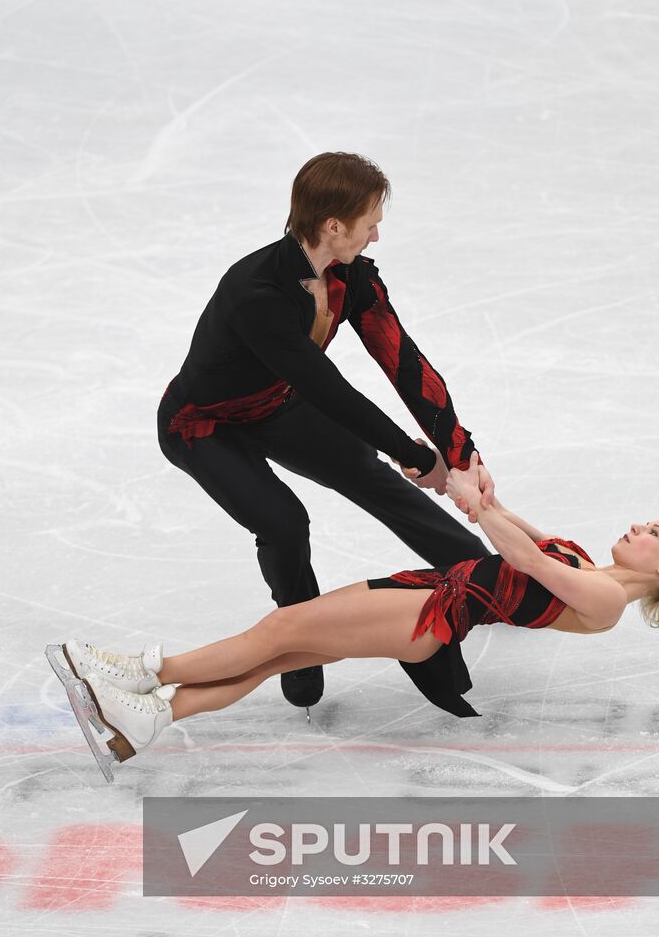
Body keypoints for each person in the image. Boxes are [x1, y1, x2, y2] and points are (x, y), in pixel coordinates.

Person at [46, 455, 659, 783]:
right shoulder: (587, 562)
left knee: (277, 632)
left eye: (652, 532)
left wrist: (474, 506)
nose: (637, 527)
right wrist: (480, 488)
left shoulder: (608, 602)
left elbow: (523, 556)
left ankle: (132, 675)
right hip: (428, 596)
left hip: (431, 613)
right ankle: (143, 723)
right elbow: (518, 528)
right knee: (279, 655)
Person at [156, 151, 493, 715]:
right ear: (334, 226)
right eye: (370, 222)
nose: (377, 235)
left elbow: (402, 360)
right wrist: (414, 452)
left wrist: (458, 451)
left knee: (367, 474)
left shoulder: (351, 276)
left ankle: (483, 573)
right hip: (203, 425)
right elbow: (326, 388)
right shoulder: (255, 292)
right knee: (285, 523)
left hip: (276, 406)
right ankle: (300, 642)